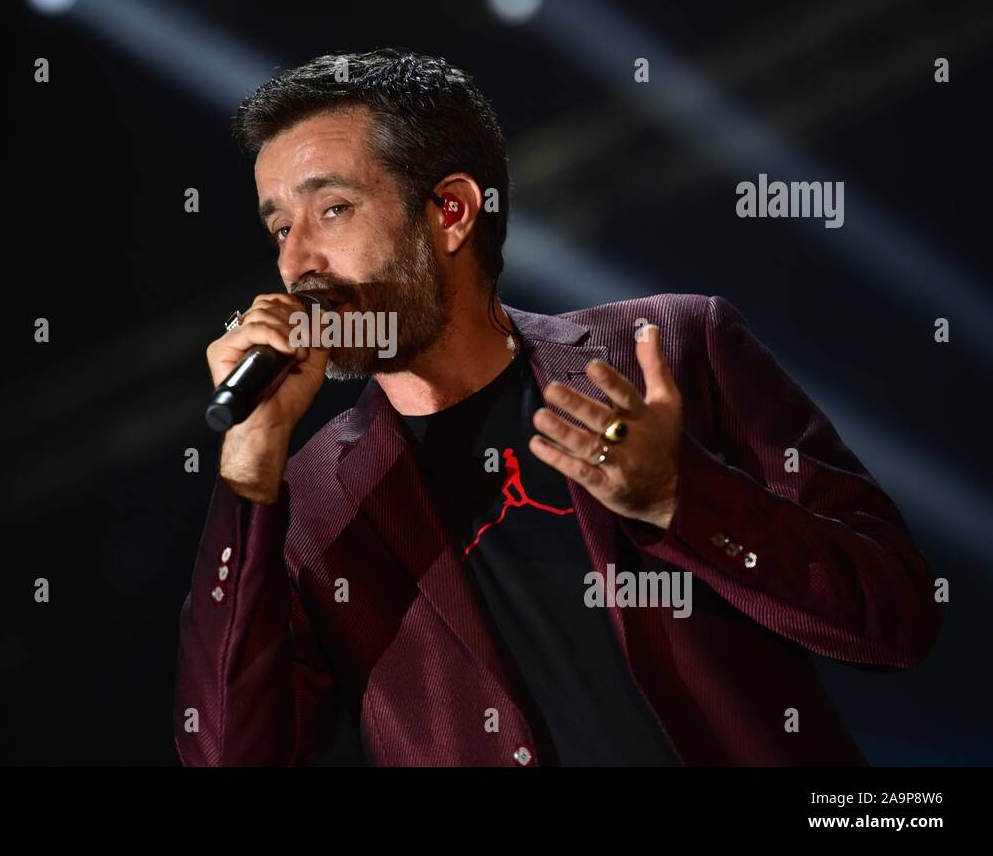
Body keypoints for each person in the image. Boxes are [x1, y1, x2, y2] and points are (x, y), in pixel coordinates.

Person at [172, 49, 943, 766]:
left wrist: (682, 498)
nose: (295, 259)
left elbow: (897, 615)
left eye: (331, 209)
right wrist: (248, 464)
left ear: (451, 211)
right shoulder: (305, 505)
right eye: (279, 225)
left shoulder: (674, 347)